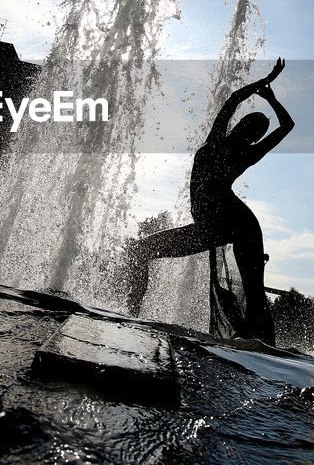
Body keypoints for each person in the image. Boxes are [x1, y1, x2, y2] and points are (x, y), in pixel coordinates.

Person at [124, 58, 294, 344]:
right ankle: (130, 314)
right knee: (141, 251)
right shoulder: (217, 140)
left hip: (241, 226)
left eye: (253, 132)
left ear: (254, 139)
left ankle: (264, 347)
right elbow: (233, 98)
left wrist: (272, 98)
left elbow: (287, 125)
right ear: (238, 124)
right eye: (246, 124)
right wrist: (266, 83)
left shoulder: (246, 154)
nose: (246, 131)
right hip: (211, 227)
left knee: (253, 290)